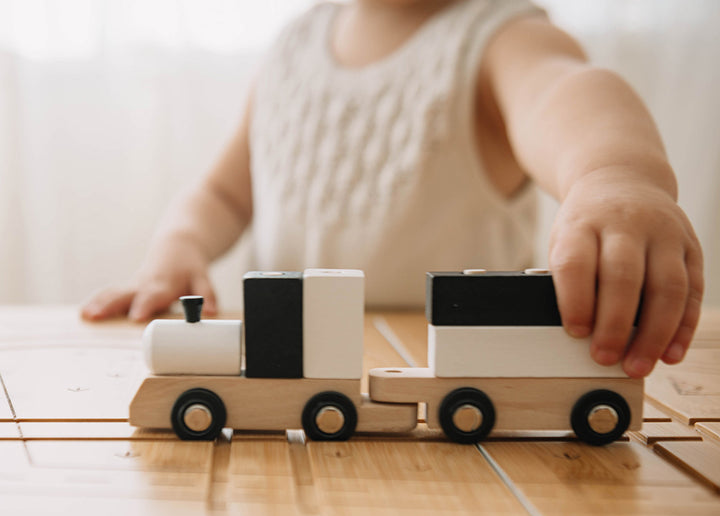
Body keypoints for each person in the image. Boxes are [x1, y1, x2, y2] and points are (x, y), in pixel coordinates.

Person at [81, 0, 703, 379]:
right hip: (287, 370)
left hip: (445, 375)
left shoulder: (497, 37)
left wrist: (614, 176)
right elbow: (225, 193)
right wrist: (180, 244)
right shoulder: (292, 46)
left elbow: (564, 92)